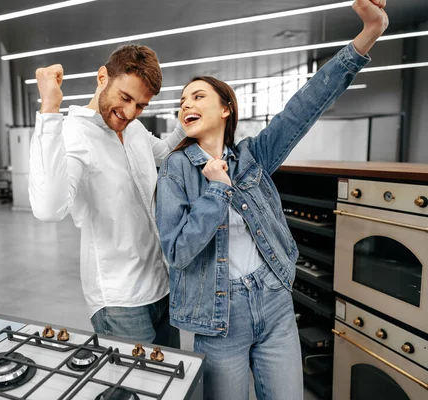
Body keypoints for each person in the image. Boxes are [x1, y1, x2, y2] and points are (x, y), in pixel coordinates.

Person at [154, 0, 388, 398]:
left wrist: (367, 35)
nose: (186, 105)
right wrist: (215, 191)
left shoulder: (252, 157)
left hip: (274, 299)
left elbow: (304, 106)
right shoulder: (175, 170)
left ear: (226, 108)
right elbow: (177, 250)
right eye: (182, 102)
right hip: (219, 316)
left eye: (197, 97)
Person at [29, 45, 183, 347]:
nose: (128, 112)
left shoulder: (134, 128)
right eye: (125, 98)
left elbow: (164, 152)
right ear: (102, 77)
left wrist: (187, 120)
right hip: (120, 300)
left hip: (162, 285)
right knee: (135, 391)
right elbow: (49, 209)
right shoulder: (74, 133)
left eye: (140, 105)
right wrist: (49, 110)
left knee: (170, 386)